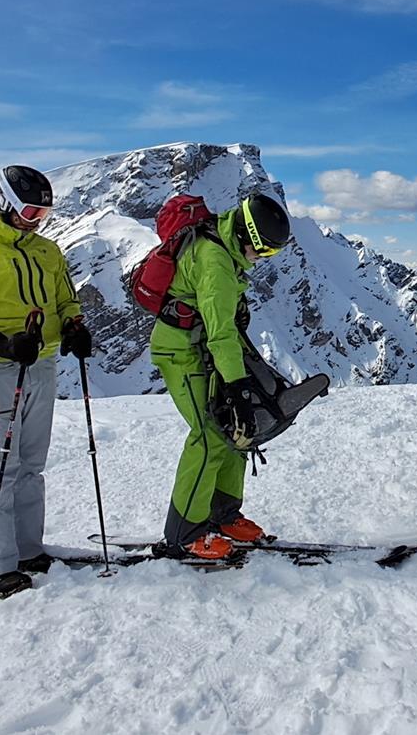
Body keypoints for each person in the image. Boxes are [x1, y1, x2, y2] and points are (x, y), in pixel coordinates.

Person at [0, 165, 93, 598]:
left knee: (31, 465)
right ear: (5, 202)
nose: (36, 220)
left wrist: (74, 327)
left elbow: (65, 299)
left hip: (42, 366)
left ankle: (28, 552)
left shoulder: (48, 251)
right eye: (29, 211)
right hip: (0, 369)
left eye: (43, 213)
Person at [151, 192, 293, 559]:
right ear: (247, 235)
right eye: (263, 250)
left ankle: (222, 514)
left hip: (202, 348)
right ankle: (184, 533)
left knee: (235, 430)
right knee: (210, 434)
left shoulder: (225, 244)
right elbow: (221, 334)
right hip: (182, 352)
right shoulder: (215, 260)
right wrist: (239, 387)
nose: (262, 258)